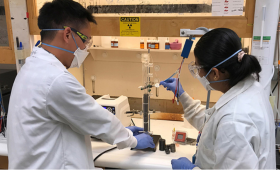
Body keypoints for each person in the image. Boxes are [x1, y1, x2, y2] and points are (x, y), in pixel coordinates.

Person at [7, 0, 154, 169]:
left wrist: (124, 131)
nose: (85, 48)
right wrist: (132, 140)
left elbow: (83, 118)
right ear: (67, 34)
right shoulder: (55, 80)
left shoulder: (30, 68)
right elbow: (97, 120)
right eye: (85, 40)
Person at [161, 28, 276, 169]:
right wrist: (182, 95)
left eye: (198, 69)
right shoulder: (251, 88)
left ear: (215, 73)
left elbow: (227, 124)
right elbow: (213, 121)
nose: (199, 75)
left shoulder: (234, 120)